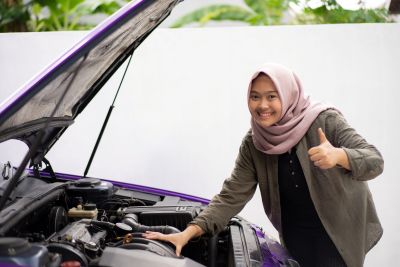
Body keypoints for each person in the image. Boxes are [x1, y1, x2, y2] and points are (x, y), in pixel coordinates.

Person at [143, 63, 383, 267]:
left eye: (272, 96)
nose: (262, 105)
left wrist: (340, 156)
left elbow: (374, 159)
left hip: (338, 237)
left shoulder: (324, 120)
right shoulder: (254, 142)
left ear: (288, 95)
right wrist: (188, 232)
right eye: (255, 96)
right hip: (295, 242)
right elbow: (231, 196)